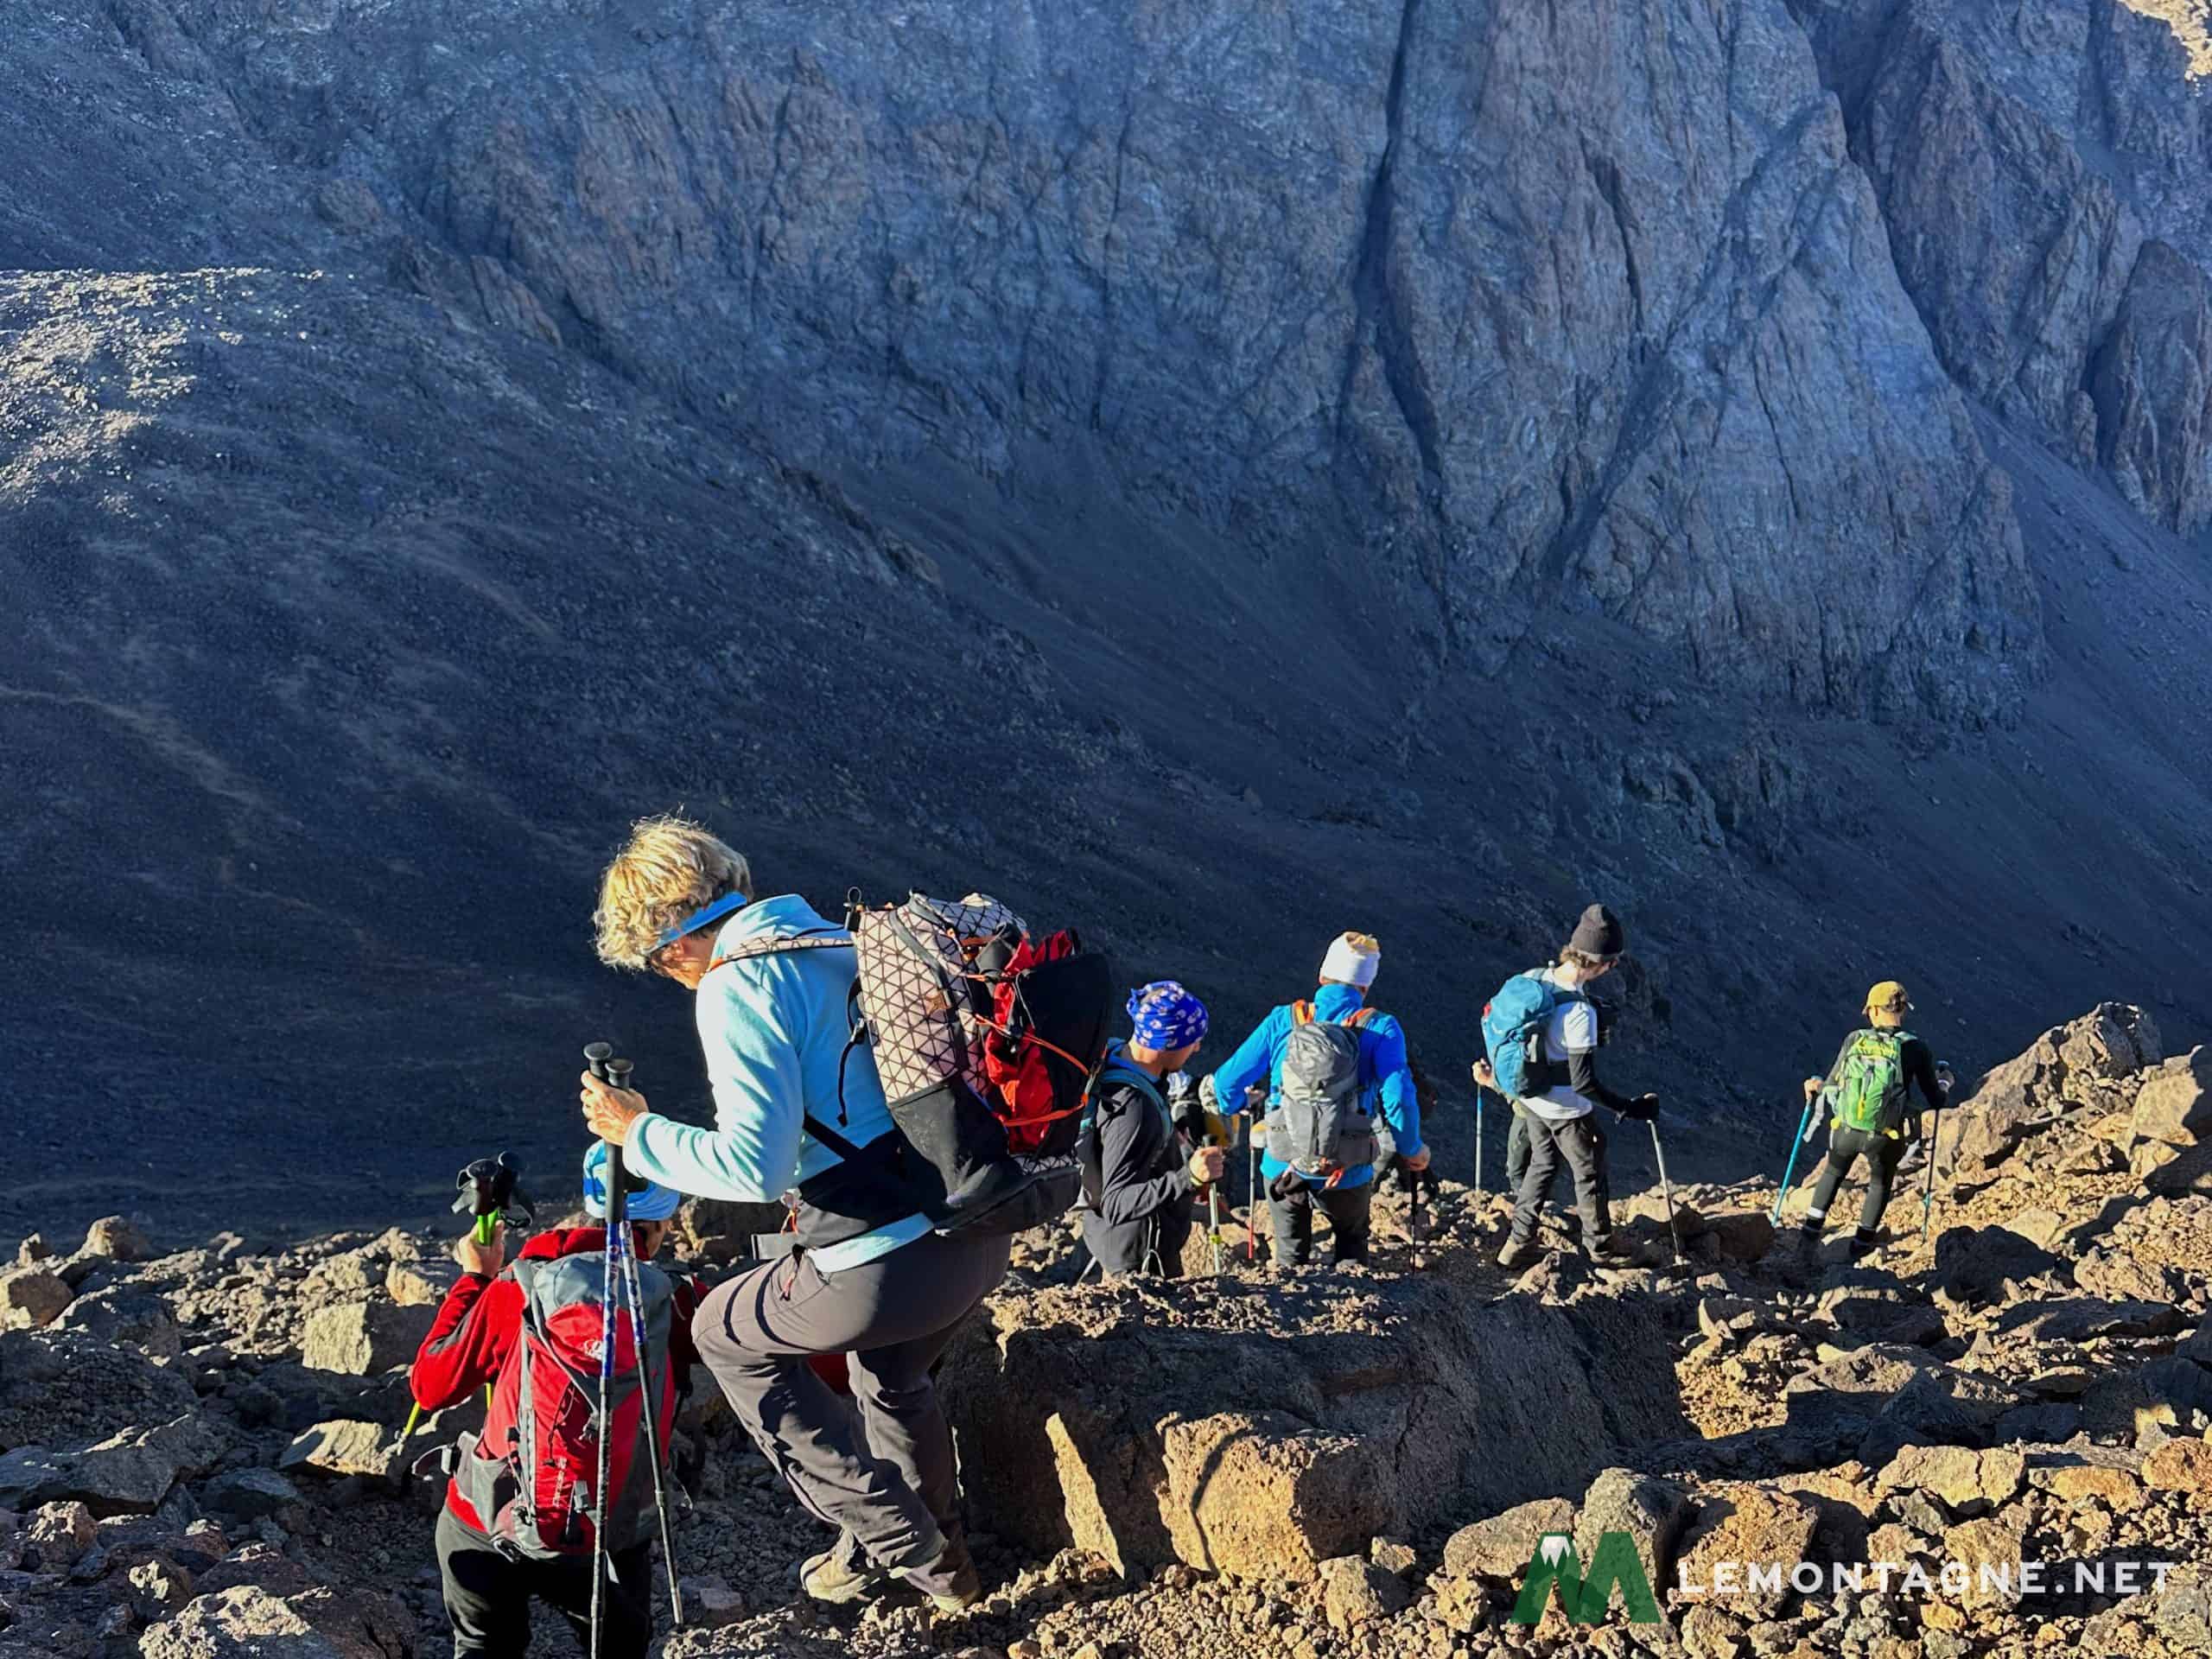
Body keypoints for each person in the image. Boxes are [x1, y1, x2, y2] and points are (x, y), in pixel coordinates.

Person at [577, 816, 1001, 1614]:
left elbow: (753, 1166)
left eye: (658, 963)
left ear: (670, 944)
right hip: (976, 1234)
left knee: (720, 1332)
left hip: (885, 1266)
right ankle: (946, 1572)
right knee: (893, 1375)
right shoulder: (845, 942)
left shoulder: (740, 983)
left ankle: (894, 1537)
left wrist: (637, 1132)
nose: (670, 976)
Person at [410, 1147, 699, 1659]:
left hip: (488, 1520)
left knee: (483, 1646)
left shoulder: (518, 1285)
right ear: (657, 1225)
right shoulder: (675, 1299)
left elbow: (430, 1387)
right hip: (605, 1532)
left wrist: (475, 1279)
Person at [1205, 931, 1429, 1268]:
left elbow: (1226, 1083)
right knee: (1351, 1243)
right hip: (1347, 1166)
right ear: (1365, 987)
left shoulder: (1283, 1020)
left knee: (1290, 1255)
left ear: (1322, 977)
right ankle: (1355, 1310)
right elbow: (1398, 1096)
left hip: (1283, 1162)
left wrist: (1236, 1104)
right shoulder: (1381, 1027)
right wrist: (1412, 1150)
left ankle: (1291, 1309)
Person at [1479, 905, 1658, 1269]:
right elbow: (1584, 1083)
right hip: (1565, 1109)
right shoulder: (1580, 1014)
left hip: (1532, 1100)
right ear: (1604, 963)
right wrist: (1629, 1107)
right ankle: (1602, 1248)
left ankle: (1516, 1244)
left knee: (1542, 1165)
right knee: (1590, 1169)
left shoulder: (1533, 978)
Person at [1078, 982, 1224, 1277]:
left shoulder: (1118, 1054)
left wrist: (1170, 1140)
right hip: (1141, 1259)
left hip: (1121, 1241)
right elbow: (1116, 1203)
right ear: (1166, 1044)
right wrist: (1189, 1177)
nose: (1197, 1048)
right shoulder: (1134, 1109)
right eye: (1192, 1041)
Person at [1798, 981, 1949, 1257]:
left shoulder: (1855, 1039)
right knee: (1880, 1183)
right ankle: (1859, 1248)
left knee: (1832, 1173)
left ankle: (1807, 1239)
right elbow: (1935, 1100)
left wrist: (1816, 1084)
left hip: (1845, 1129)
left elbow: (1832, 1084)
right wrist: (1945, 1083)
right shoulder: (1915, 1047)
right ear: (1903, 1010)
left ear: (1874, 1010)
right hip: (1884, 1135)